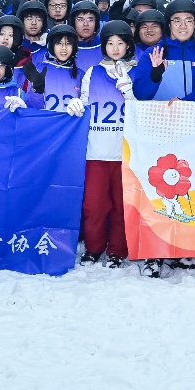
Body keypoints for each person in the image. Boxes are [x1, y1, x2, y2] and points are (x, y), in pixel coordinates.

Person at [77, 19, 137, 267]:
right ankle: (93, 247)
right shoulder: (93, 72)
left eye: (120, 43)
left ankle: (118, 250)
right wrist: (76, 105)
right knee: (94, 205)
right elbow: (84, 102)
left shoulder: (135, 71)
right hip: (97, 152)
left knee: (122, 206)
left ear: (128, 46)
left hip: (125, 153)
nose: (115, 48)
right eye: (110, 43)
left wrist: (129, 92)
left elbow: (141, 111)